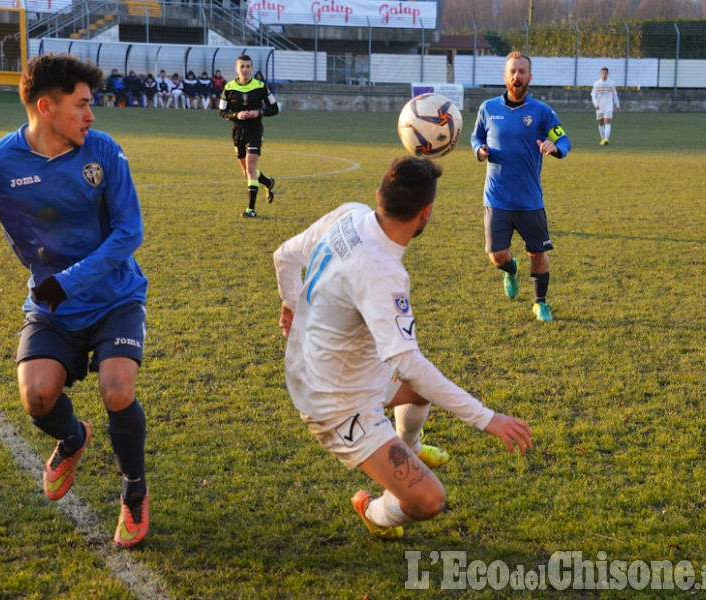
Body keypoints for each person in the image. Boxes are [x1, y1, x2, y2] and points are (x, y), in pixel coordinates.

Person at [273, 156, 533, 539]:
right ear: (426, 213)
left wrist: (292, 303)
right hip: (334, 401)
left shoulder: (350, 214)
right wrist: (485, 417)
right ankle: (372, 510)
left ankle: (409, 445)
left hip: (321, 364)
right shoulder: (383, 272)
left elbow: (284, 256)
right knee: (427, 501)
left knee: (421, 392)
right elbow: (407, 362)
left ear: (379, 195)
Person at [0, 53, 150, 548]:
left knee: (117, 389)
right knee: (37, 397)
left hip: (115, 296)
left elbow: (128, 232)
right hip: (52, 307)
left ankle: (134, 492)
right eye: (82, 105)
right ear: (46, 107)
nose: (92, 116)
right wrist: (60, 288)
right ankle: (73, 438)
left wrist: (69, 279)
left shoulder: (103, 151)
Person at [471, 51, 571, 323]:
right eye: (512, 71)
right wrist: (478, 151)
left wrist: (555, 147)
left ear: (530, 77)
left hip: (529, 199)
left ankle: (540, 303)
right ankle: (510, 270)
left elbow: (564, 141)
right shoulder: (488, 108)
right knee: (496, 256)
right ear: (505, 76)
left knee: (537, 252)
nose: (517, 76)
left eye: (522, 72)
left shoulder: (541, 112)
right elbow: (476, 136)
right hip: (497, 197)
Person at [218, 54, 278, 218]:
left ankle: (251, 209)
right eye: (242, 66)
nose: (245, 69)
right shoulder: (228, 88)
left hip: (255, 131)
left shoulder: (260, 86)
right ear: (236, 69)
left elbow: (274, 108)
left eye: (248, 66)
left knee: (251, 168)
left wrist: (258, 112)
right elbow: (222, 112)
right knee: (247, 173)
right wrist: (236, 115)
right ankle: (268, 182)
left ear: (252, 68)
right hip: (237, 132)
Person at [591, 67, 621, 145]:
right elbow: (593, 95)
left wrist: (617, 105)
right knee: (601, 123)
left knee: (607, 122)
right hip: (599, 106)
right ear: (600, 74)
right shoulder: (597, 84)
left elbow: (615, 95)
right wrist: (595, 104)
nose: (604, 74)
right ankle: (603, 138)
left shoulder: (611, 83)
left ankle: (606, 139)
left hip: (608, 106)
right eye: (603, 73)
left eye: (605, 73)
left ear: (608, 74)